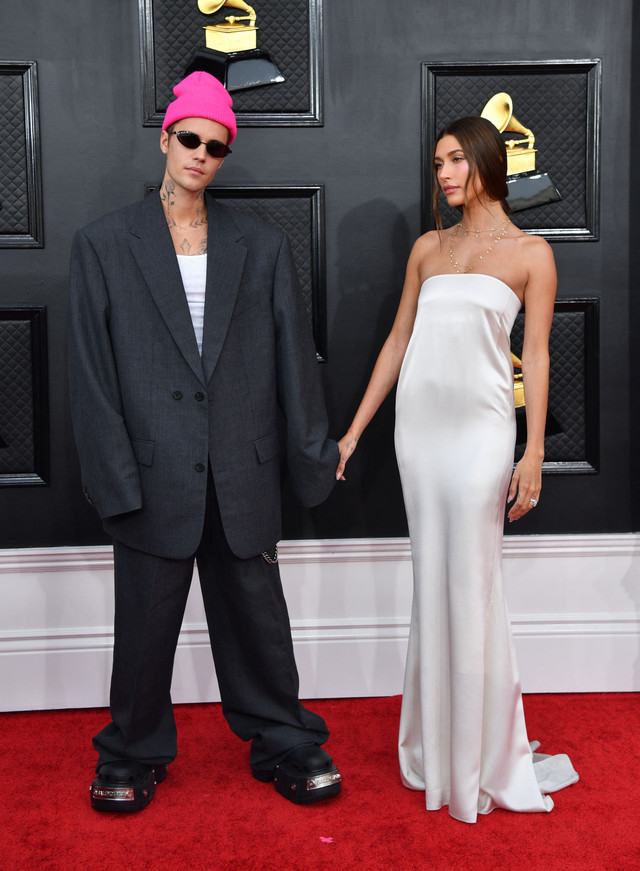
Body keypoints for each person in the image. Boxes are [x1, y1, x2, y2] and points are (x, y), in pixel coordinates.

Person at [68, 70, 341, 812]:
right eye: (189, 139)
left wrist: (313, 455)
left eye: (215, 147)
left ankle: (285, 740)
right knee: (145, 632)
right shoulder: (102, 245)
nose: (200, 155)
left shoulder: (261, 243)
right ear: (166, 138)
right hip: (152, 470)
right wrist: (116, 479)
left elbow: (293, 358)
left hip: (242, 468)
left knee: (258, 622)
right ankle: (132, 750)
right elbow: (91, 380)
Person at [336, 116, 577, 823]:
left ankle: (480, 756)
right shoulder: (427, 249)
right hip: (421, 432)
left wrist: (533, 451)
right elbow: (396, 342)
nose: (442, 174)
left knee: (474, 582)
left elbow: (537, 356)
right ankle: (439, 750)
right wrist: (355, 431)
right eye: (437, 162)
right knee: (433, 578)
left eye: (454, 161)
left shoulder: (532, 253)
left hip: (482, 431)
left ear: (486, 163)